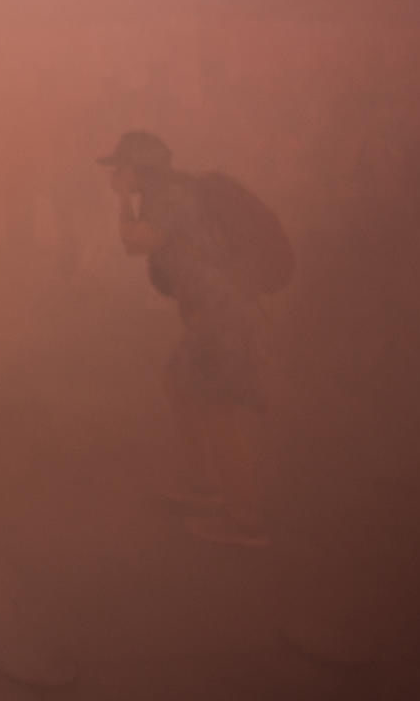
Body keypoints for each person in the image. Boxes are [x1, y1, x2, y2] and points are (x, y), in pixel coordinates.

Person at [100, 129, 269, 547]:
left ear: (139, 168)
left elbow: (136, 243)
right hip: (214, 312)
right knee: (179, 383)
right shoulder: (174, 192)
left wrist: (122, 200)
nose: (117, 174)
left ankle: (246, 523)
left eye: (121, 168)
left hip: (223, 313)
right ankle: (203, 486)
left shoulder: (170, 198)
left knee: (218, 411)